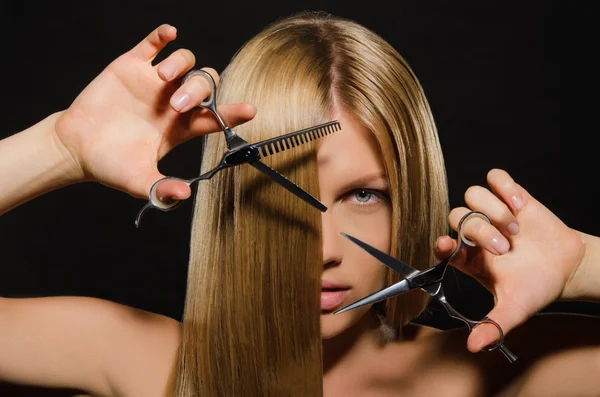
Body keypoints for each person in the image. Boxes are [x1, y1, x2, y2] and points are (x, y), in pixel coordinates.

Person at [1, 11, 599, 397]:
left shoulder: (494, 377)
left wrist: (582, 266)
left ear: (411, 198)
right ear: (230, 206)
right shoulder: (141, 362)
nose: (328, 250)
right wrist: (58, 147)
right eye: (282, 194)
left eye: (365, 195)